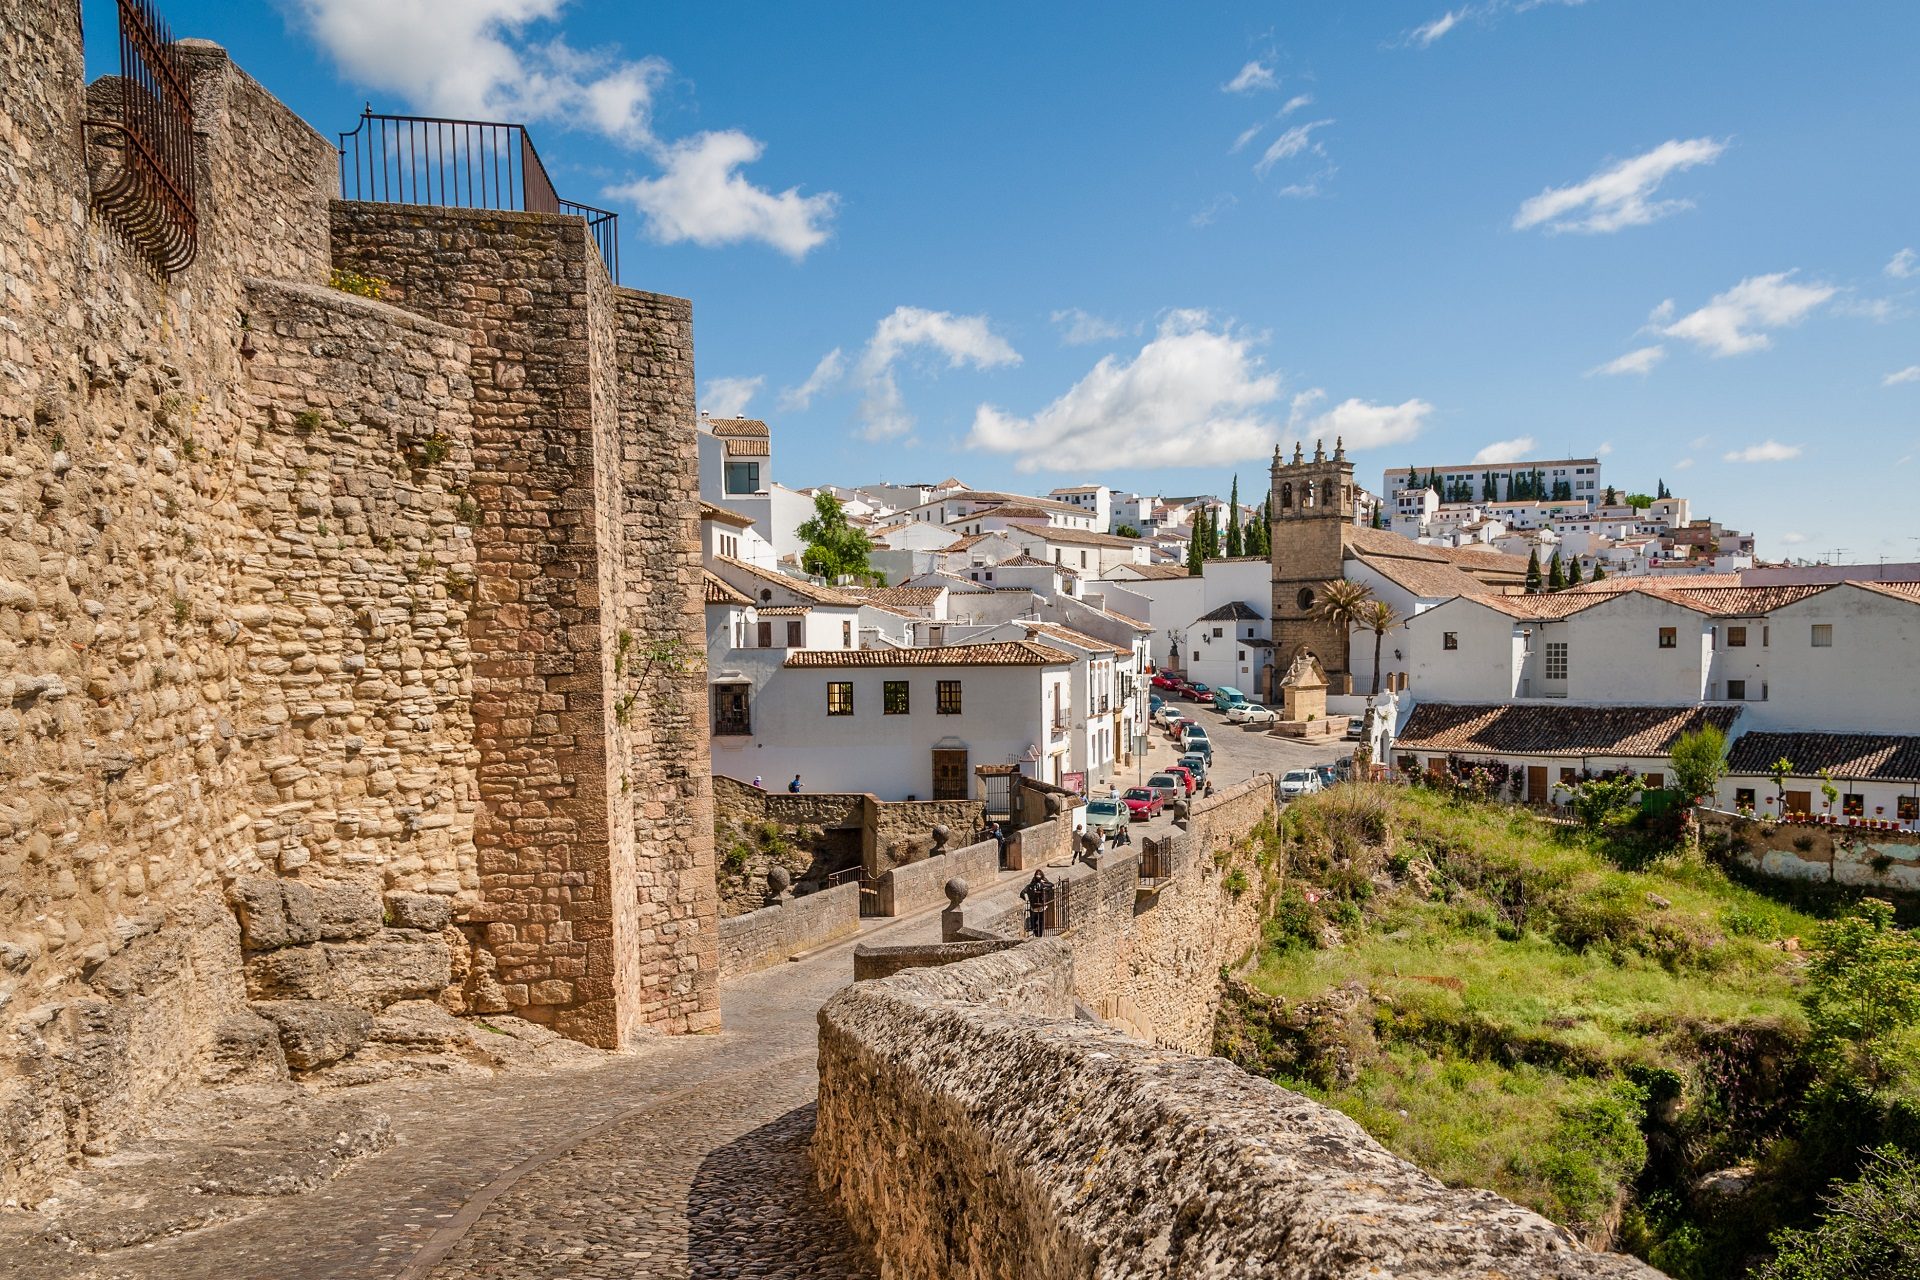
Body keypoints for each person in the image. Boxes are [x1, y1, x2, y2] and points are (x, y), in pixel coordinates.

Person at [1020, 870, 1052, 938]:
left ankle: (1038, 935)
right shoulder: (1035, 884)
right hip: (1036, 906)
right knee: (1038, 921)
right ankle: (1038, 935)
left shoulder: (1034, 884)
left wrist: (1026, 898)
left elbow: (1022, 893)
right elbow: (1051, 886)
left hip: (1038, 906)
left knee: (1038, 921)